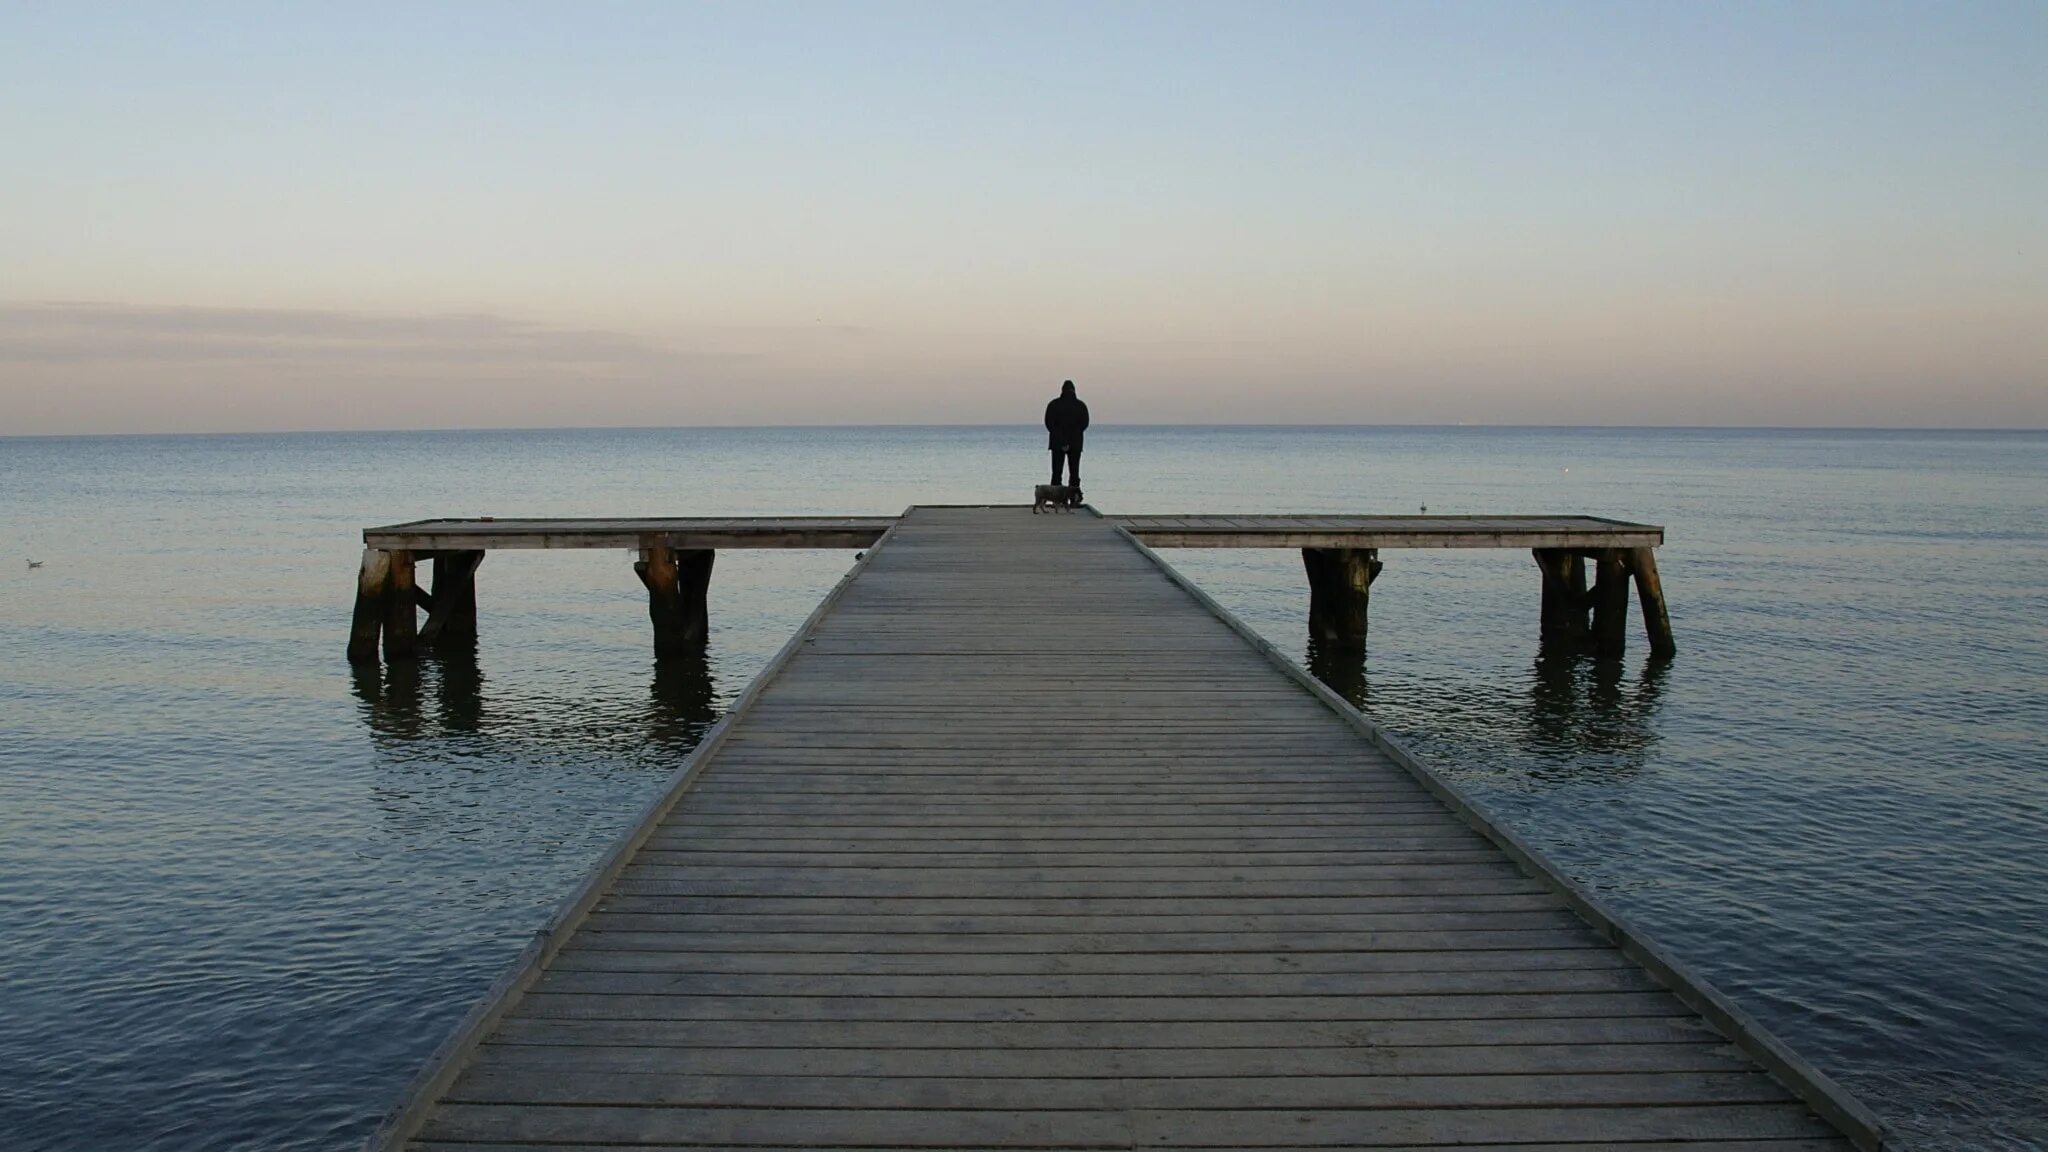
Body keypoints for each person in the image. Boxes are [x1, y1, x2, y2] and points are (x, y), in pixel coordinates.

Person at [1044, 379, 1090, 487]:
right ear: (1074, 390)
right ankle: (1074, 499)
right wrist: (1071, 439)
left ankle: (1056, 500)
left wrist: (1061, 440)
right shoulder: (1081, 406)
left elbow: (1049, 424)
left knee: (1056, 474)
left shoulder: (1053, 404)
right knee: (1074, 474)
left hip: (1057, 443)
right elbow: (1084, 424)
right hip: (1075, 444)